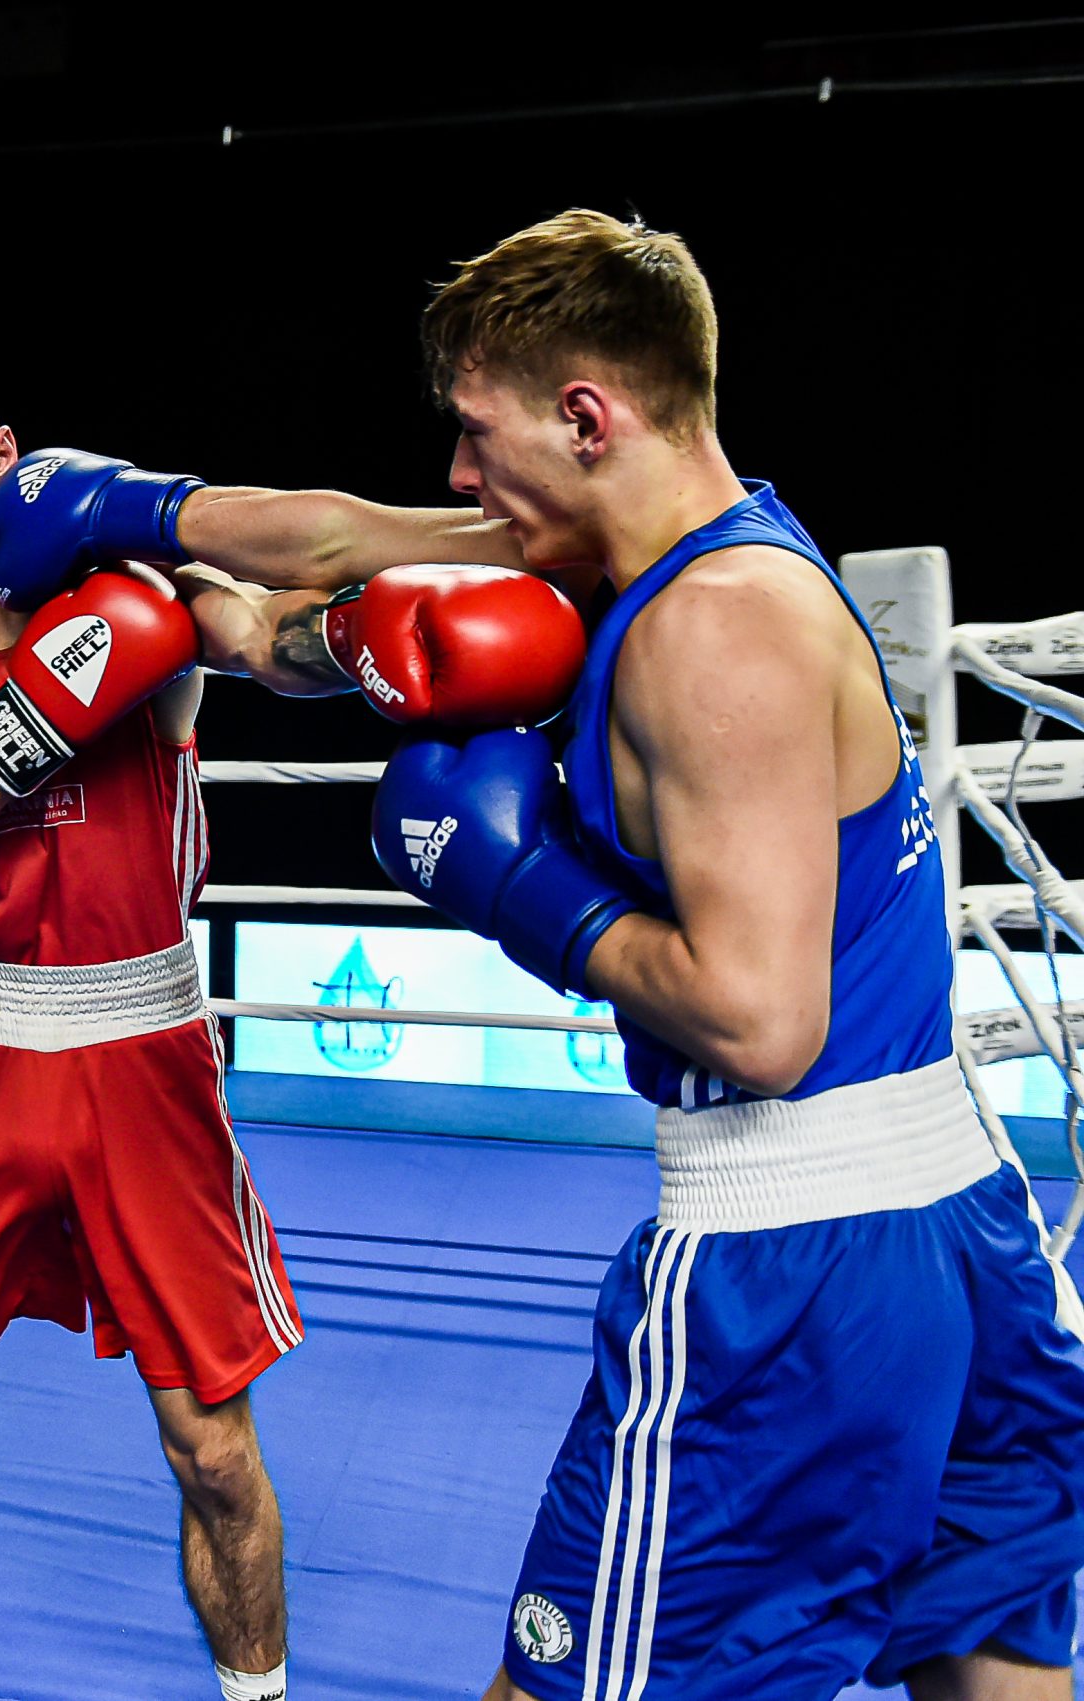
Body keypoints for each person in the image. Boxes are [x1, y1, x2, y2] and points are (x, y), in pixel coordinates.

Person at [369, 210, 1084, 1701]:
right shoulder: (741, 560)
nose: (457, 476)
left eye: (475, 430)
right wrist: (156, 523)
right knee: (990, 1670)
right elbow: (326, 544)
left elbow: (758, 1023)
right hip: (956, 1217)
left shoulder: (708, 628)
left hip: (792, 1264)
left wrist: (526, 893)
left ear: (585, 417)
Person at [0, 348, 561, 1701]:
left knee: (211, 1448)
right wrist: (51, 703)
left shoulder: (137, 587)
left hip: (142, 1055)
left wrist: (364, 641)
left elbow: (273, 637)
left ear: (3, 457)